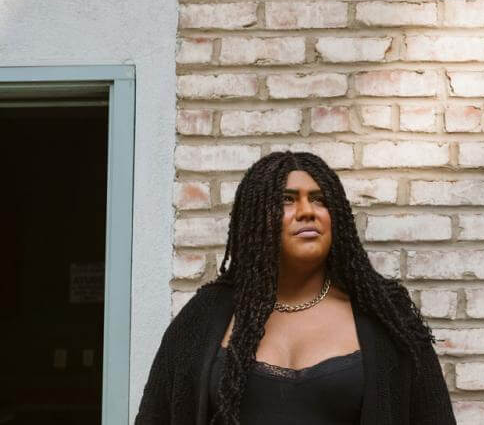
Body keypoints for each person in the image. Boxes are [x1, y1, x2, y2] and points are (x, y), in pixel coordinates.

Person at [135, 151, 456, 424]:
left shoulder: (387, 318)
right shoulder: (205, 316)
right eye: (287, 200)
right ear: (255, 217)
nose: (307, 211)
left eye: (319, 200)